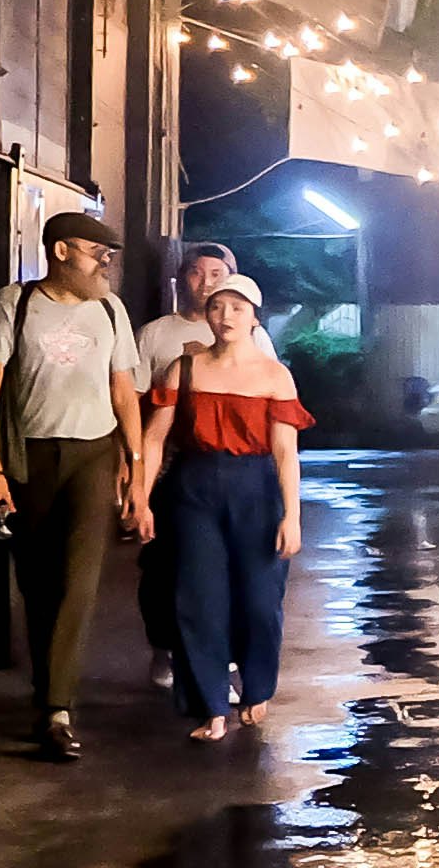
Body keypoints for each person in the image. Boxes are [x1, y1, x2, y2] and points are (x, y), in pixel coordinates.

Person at [0, 210, 147, 762]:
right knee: (38, 582)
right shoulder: (15, 303)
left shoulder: (110, 310)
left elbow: (124, 392)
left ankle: (57, 708)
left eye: (109, 256)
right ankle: (48, 693)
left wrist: (135, 466)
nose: (105, 264)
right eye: (96, 253)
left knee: (78, 579)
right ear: (60, 251)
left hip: (93, 455)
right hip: (30, 456)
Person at [129, 279, 311, 742]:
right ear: (206, 314)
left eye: (236, 307)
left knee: (259, 599)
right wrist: (141, 497)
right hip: (193, 487)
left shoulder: (274, 376)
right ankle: (210, 704)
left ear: (255, 316)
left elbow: (286, 453)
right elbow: (154, 438)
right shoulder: (183, 368)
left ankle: (256, 690)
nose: (226, 316)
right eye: (216, 307)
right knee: (198, 597)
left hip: (256, 487)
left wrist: (292, 515)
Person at [135, 245, 251, 691]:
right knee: (163, 564)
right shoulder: (155, 335)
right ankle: (163, 645)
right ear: (181, 278)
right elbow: (140, 408)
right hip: (172, 464)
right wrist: (136, 474)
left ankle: (221, 656)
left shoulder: (250, 335)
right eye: (196, 273)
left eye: (216, 274)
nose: (205, 283)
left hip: (233, 465)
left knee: (228, 567)